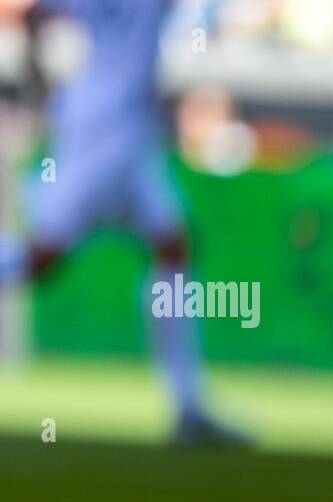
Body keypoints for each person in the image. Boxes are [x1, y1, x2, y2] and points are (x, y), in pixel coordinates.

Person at [0, 0, 240, 443]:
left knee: (173, 247)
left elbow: (30, 14)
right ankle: (188, 407)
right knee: (40, 260)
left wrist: (42, 89)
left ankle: (189, 406)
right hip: (106, 133)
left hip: (116, 127)